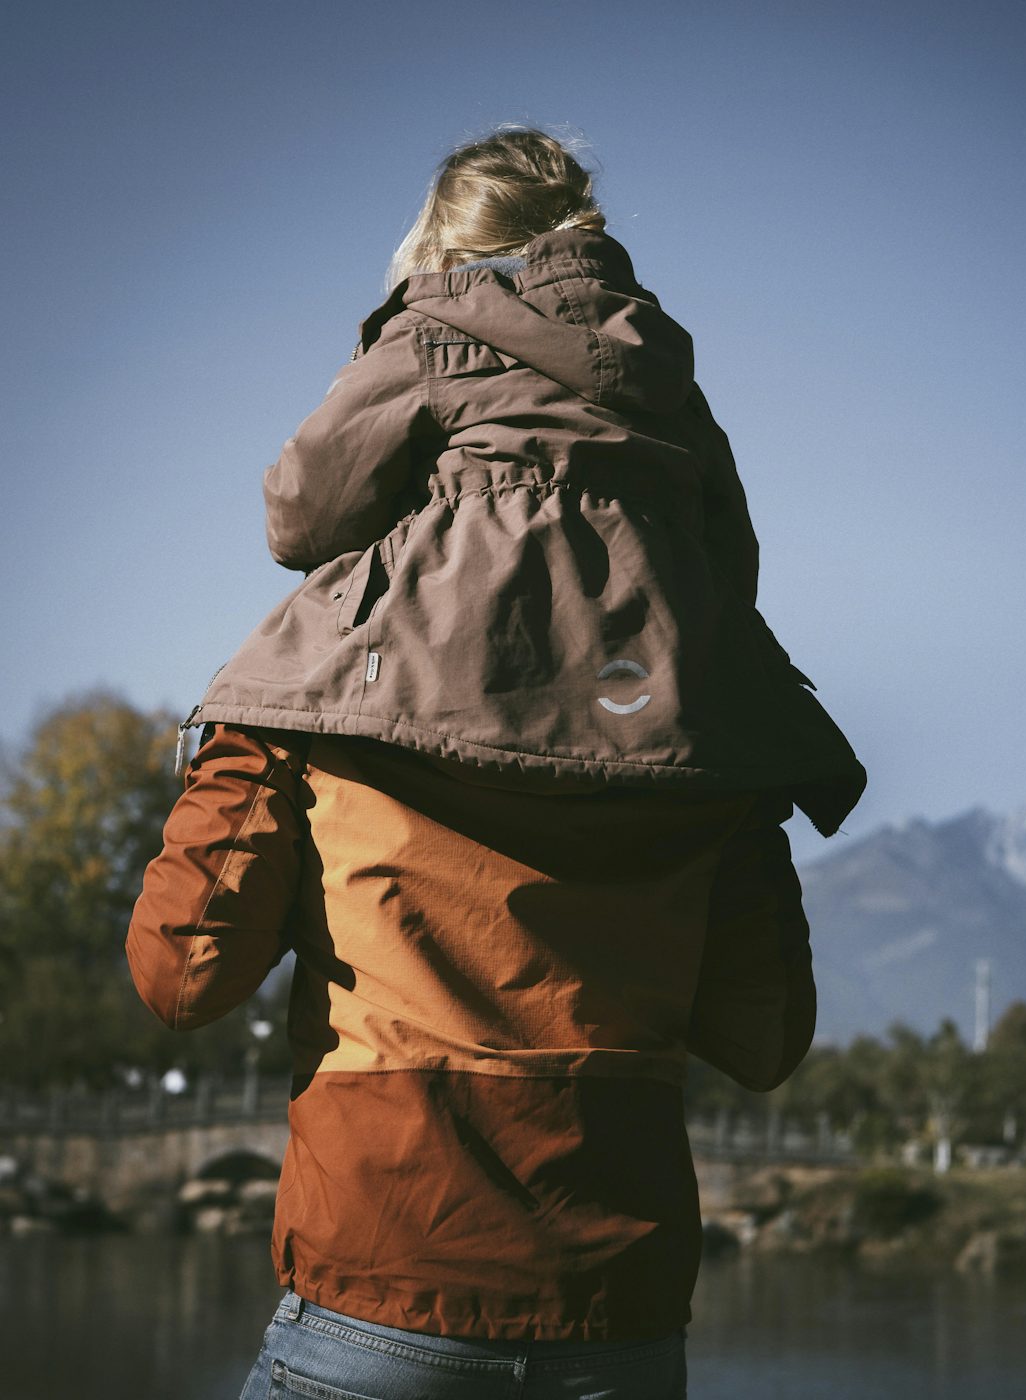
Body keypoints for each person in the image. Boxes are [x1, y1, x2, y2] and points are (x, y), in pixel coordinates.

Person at [126, 127, 864, 1399]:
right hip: (621, 1319)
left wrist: (241, 753)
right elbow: (763, 1036)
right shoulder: (709, 741)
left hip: (379, 1291)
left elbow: (181, 976)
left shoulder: (313, 697)